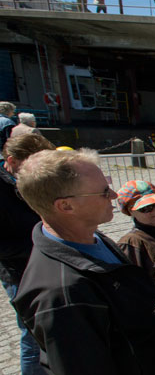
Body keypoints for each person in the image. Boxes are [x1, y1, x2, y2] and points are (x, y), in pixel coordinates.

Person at [12, 148, 155, 374]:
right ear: (65, 206)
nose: (114, 195)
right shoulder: (61, 295)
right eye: (103, 191)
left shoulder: (91, 237)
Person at [0, 134, 54, 375]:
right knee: (33, 336)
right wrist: (41, 243)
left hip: (47, 262)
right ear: (11, 161)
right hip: (20, 271)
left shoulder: (30, 179)